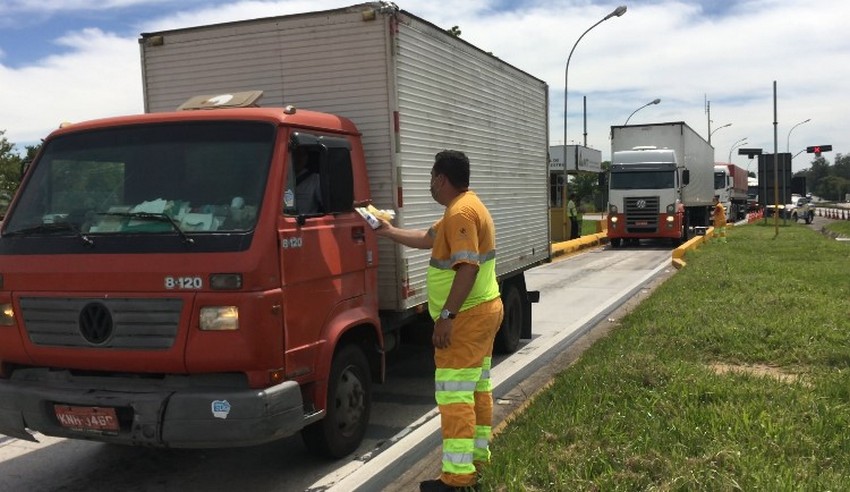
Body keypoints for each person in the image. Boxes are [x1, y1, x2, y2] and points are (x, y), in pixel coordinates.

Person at [375, 150, 504, 491]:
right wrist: (387, 231)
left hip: (466, 318)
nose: (430, 184)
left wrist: (447, 316)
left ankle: (457, 479)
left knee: (454, 396)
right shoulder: (462, 208)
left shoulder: (460, 213)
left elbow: (468, 266)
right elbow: (426, 239)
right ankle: (476, 462)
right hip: (482, 311)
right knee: (476, 389)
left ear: (441, 179)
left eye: (432, 178)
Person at [293, 149, 322, 214]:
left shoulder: (315, 179)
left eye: (302, 155)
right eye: (296, 154)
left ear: (307, 157)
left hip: (304, 222)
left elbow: (327, 205)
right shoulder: (278, 178)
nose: (299, 158)